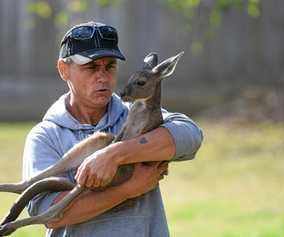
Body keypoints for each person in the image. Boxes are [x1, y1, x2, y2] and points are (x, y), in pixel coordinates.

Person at [23, 21, 203, 237]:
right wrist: (128, 190)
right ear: (64, 70)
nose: (102, 76)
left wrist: (114, 154)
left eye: (110, 66)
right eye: (90, 67)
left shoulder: (135, 114)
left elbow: (190, 136)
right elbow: (48, 212)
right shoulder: (45, 136)